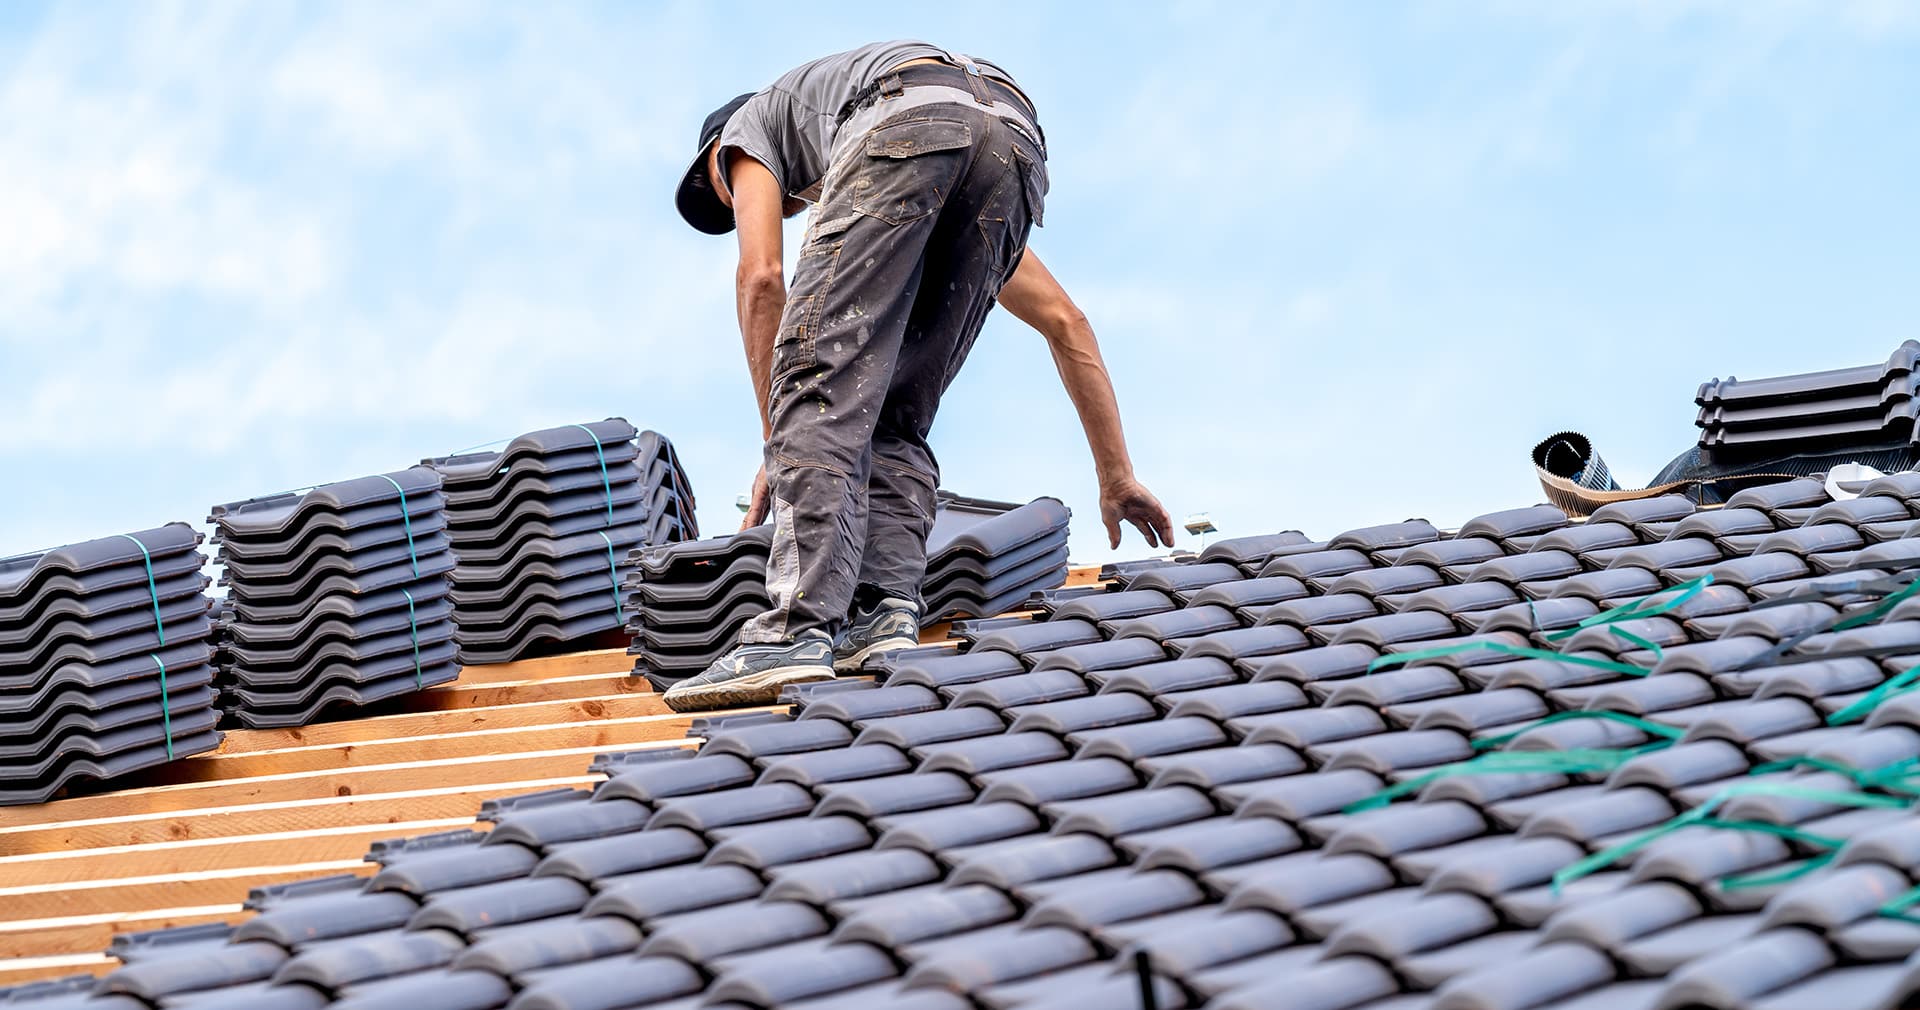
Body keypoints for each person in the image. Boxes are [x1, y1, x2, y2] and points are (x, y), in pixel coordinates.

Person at [665, 40, 1172, 712]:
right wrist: (1116, 474)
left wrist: (779, 433)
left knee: (815, 376)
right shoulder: (909, 162)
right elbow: (1066, 322)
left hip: (906, 125)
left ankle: (794, 630)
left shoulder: (749, 130)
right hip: (1010, 143)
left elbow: (762, 279)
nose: (785, 208)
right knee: (894, 407)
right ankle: (883, 611)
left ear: (721, 165)